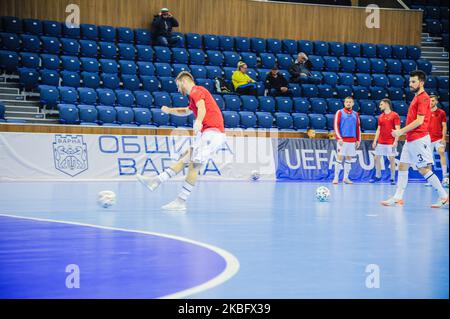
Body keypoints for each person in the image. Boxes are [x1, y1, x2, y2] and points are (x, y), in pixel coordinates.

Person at [136, 71, 226, 211]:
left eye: (178, 86)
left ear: (184, 81)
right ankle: (156, 181)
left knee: (193, 165)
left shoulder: (197, 90)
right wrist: (170, 110)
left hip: (213, 133)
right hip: (206, 133)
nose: (178, 90)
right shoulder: (192, 97)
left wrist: (199, 121)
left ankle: (181, 201)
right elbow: (186, 111)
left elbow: (201, 108)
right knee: (185, 157)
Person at [381, 70, 448, 208]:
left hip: (419, 139)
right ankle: (397, 197)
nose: (410, 84)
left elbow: (419, 121)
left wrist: (400, 132)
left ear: (421, 82)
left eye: (413, 82)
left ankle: (444, 196)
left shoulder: (423, 98)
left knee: (423, 169)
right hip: (410, 139)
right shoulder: (417, 97)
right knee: (402, 165)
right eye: (410, 81)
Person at [370, 99, 400, 185]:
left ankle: (393, 178)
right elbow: (378, 130)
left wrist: (396, 141)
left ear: (386, 104)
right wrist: (375, 141)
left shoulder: (395, 115)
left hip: (391, 142)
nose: (380, 106)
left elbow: (397, 129)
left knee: (392, 159)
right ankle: (378, 176)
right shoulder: (380, 116)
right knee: (376, 158)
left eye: (381, 104)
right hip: (381, 142)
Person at [332, 96, 361, 185]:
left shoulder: (356, 114)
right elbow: (336, 125)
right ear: (344, 103)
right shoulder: (339, 112)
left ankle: (345, 178)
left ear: (353, 103)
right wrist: (339, 137)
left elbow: (358, 127)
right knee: (340, 157)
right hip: (342, 140)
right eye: (346, 102)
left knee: (349, 158)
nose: (348, 103)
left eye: (350, 102)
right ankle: (336, 178)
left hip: (352, 140)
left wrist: (358, 140)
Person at [425, 95, 448, 186]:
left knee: (441, 152)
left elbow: (444, 126)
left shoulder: (441, 112)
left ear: (436, 102)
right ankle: (431, 180)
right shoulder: (425, 112)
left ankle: (444, 177)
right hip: (428, 139)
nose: (431, 102)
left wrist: (443, 138)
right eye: (430, 101)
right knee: (428, 159)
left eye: (433, 101)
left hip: (439, 138)